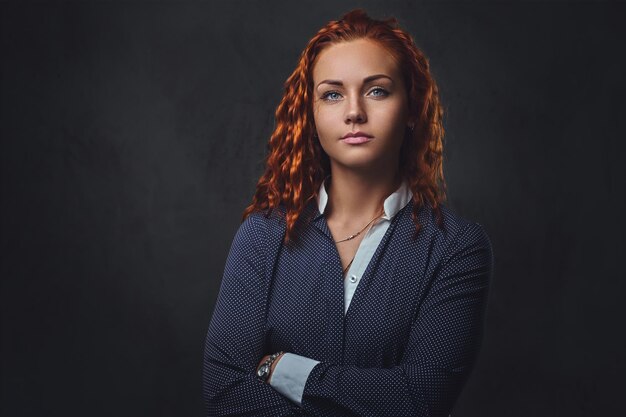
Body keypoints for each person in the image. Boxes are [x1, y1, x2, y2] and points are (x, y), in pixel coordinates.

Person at [202, 8, 494, 417]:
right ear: (312, 114)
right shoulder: (263, 235)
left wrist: (287, 370)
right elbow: (224, 387)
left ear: (411, 109)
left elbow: (420, 399)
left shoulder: (456, 248)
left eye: (377, 90)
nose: (354, 111)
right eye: (332, 94)